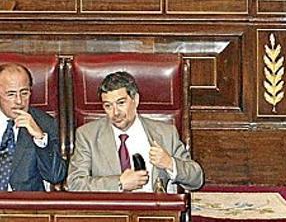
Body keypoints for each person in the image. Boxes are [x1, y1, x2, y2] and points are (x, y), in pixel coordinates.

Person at [67, 71, 203, 192]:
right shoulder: (87, 136)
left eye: (121, 103)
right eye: (108, 106)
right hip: (110, 213)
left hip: (154, 213)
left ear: (135, 100)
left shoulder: (165, 134)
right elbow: (75, 183)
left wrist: (170, 163)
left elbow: (196, 180)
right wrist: (119, 183)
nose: (115, 113)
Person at [0, 63, 66, 191]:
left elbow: (55, 176)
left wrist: (40, 138)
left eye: (24, 93)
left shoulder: (45, 123)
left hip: (25, 207)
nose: (19, 101)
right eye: (11, 94)